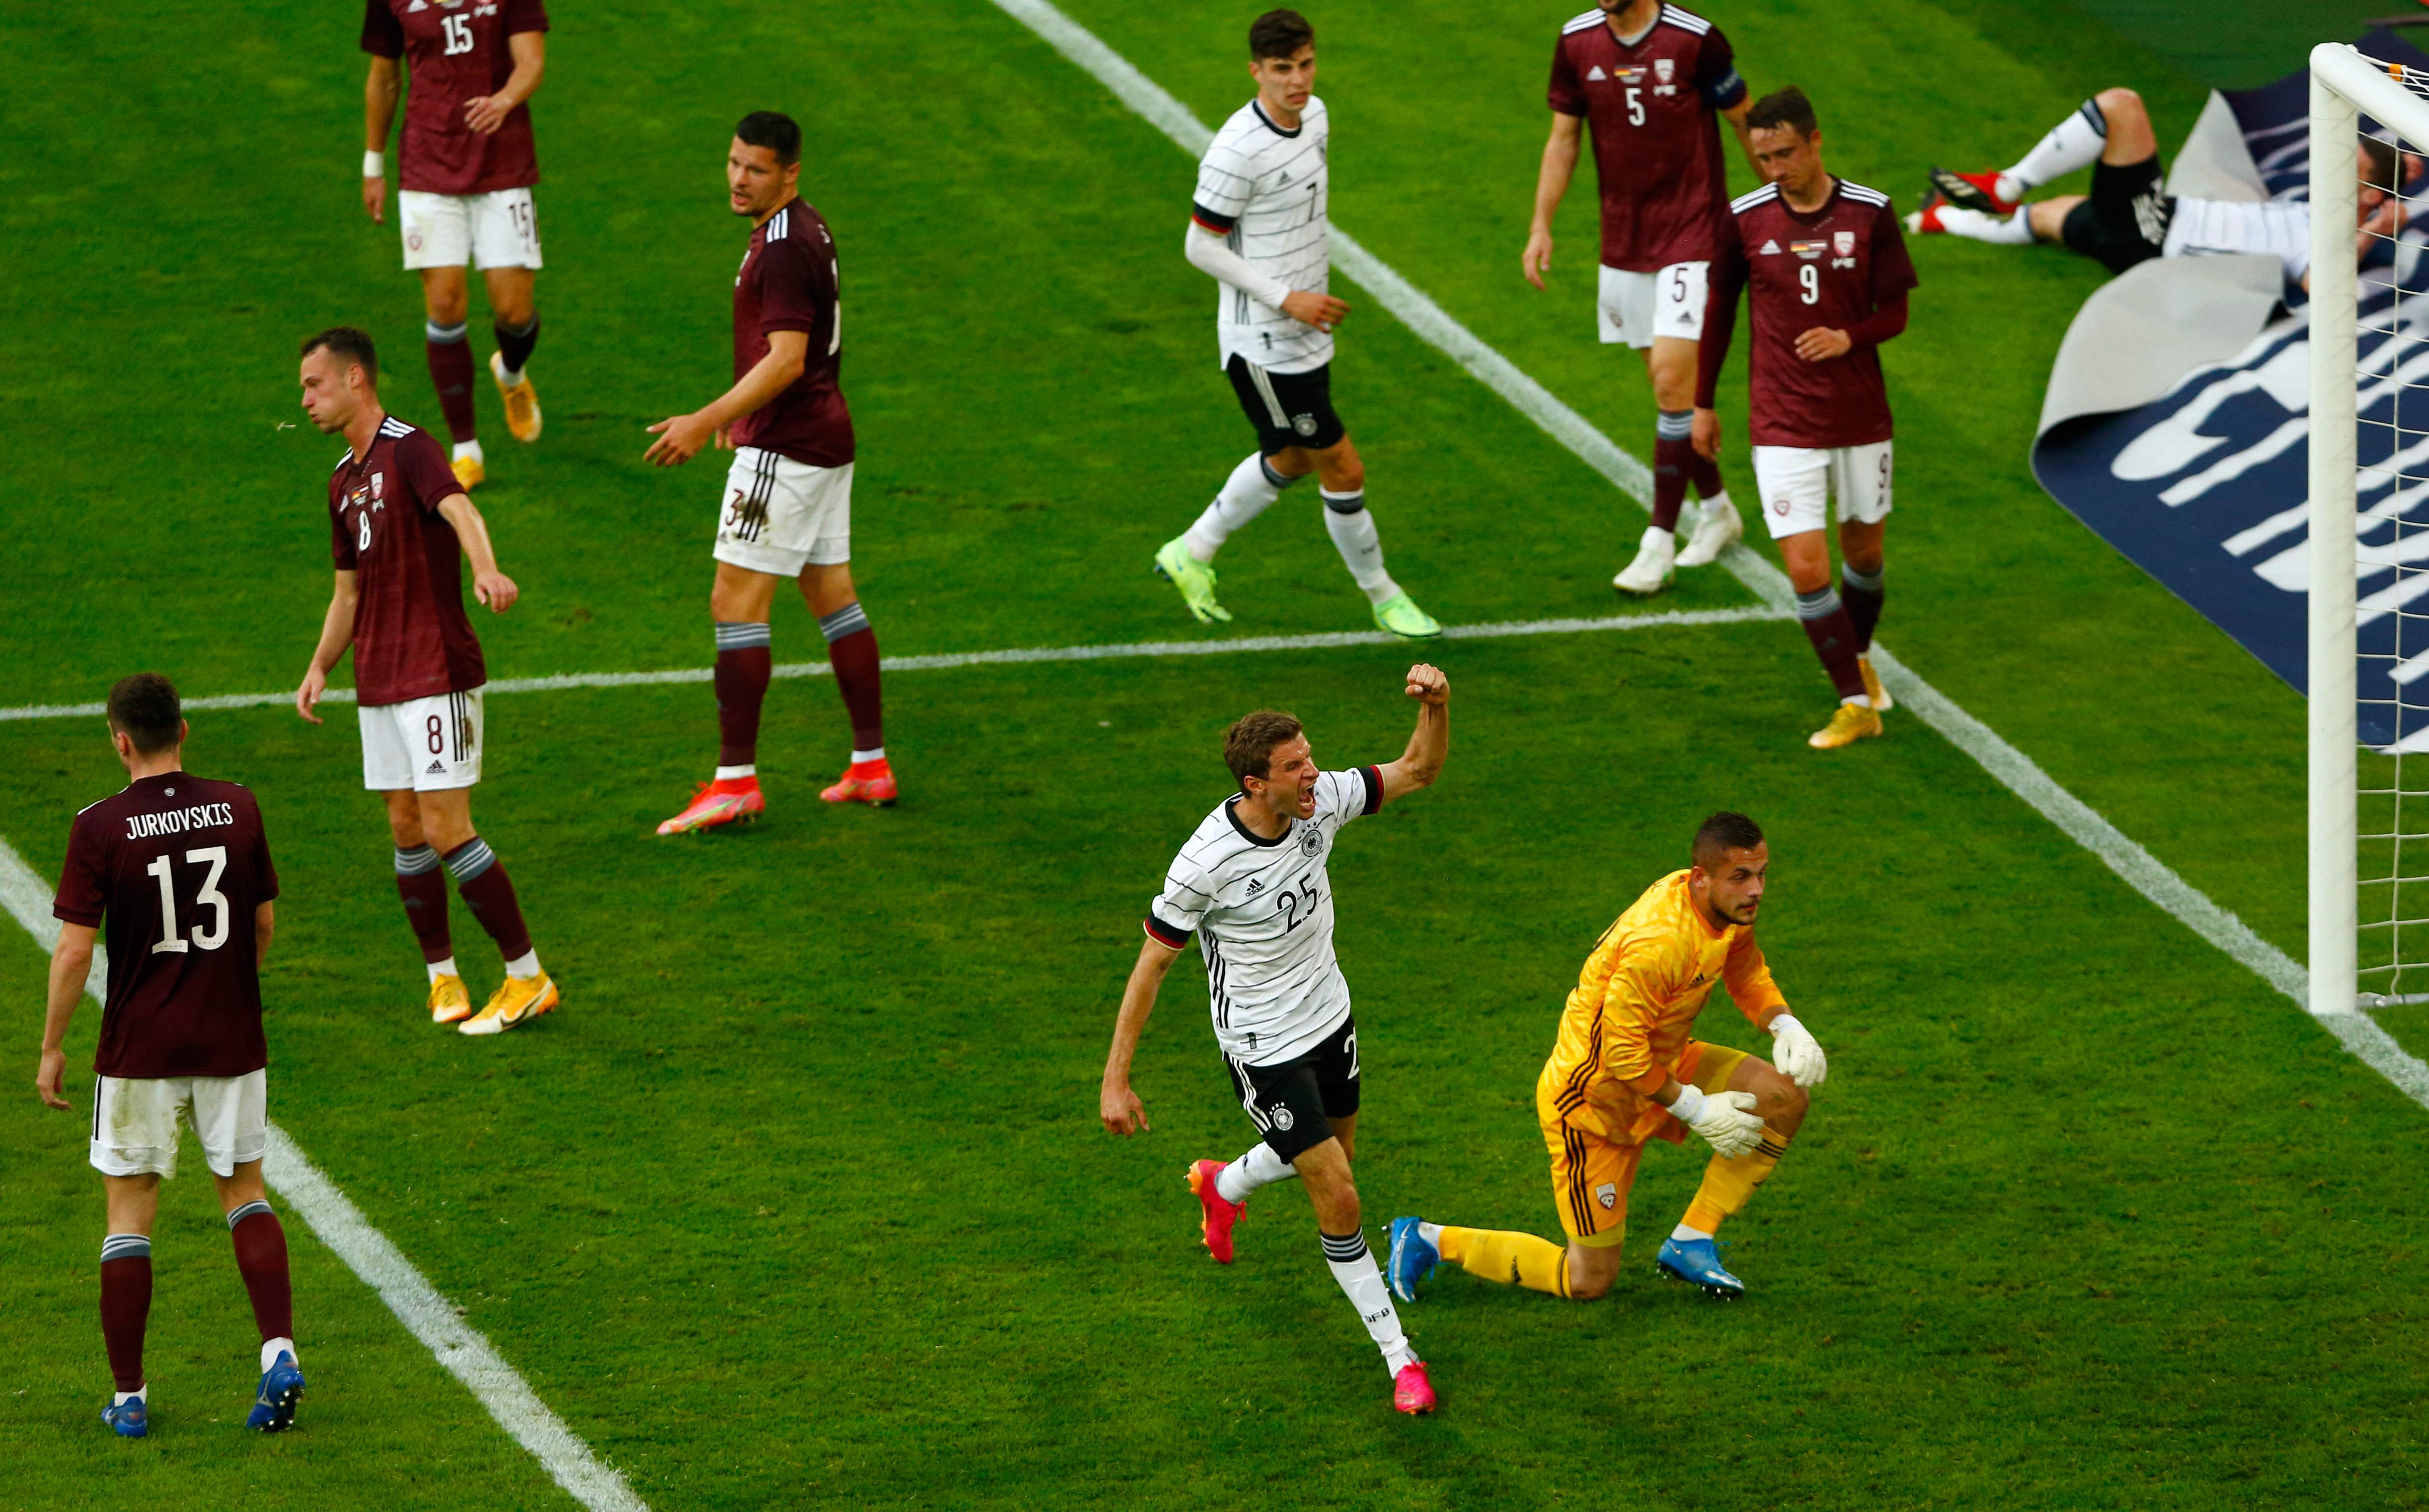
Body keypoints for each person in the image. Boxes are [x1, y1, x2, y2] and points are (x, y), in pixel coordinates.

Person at [1100, 665, 1450, 1415]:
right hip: (1264, 1047)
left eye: (1310, 757)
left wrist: (1438, 706)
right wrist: (1115, 1080)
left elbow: (1418, 768)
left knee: (1333, 1162)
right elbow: (1150, 968)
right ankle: (1402, 1361)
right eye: (1295, 766)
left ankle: (1223, 1186)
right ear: (1257, 784)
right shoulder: (1204, 865)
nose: (1312, 774)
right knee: (1340, 1194)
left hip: (1331, 1017)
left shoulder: (1318, 804)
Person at [1385, 812, 1826, 1309]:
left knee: (1784, 1099)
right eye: (1742, 877)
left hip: (1662, 1062)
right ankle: (1428, 1239)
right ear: (1700, 877)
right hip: (1593, 1104)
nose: (1757, 889)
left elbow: (1743, 966)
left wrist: (1784, 1023)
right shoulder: (1659, 944)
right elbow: (1620, 1055)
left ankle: (1691, 1241)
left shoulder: (1723, 908)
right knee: (1588, 1279)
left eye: (1762, 873)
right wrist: (1699, 1110)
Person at [34, 675, 303, 1437]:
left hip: (138, 1048)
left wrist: (53, 1046)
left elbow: (74, 953)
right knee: (244, 1190)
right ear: (183, 730)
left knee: (130, 1213)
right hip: (231, 1037)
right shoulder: (240, 806)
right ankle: (278, 1352)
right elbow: (264, 927)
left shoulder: (99, 828)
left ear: (121, 740)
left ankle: (129, 1399)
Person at [292, 327, 558, 1034]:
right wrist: (322, 665)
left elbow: (460, 508)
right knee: (406, 827)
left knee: (447, 826)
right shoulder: (340, 484)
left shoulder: (409, 447)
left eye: (314, 386)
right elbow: (346, 595)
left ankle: (527, 977)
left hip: (436, 668)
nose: (306, 400)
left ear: (355, 379)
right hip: (379, 678)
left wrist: (485, 568)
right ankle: (444, 980)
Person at [1150, 9, 1442, 642]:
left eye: (1306, 65)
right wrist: (1288, 298)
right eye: (1283, 70)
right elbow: (1200, 247)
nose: (1298, 81)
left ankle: (1192, 550)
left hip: (1308, 329)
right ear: (1256, 71)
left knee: (1291, 456)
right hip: (1264, 341)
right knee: (1343, 466)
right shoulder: (1235, 151)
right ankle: (1383, 595)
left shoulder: (1317, 116)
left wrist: (1306, 304)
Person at [646, 111, 893, 834]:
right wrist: (736, 414)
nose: (737, 179)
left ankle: (733, 782)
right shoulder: (802, 227)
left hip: (787, 445)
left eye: (754, 169)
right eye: (732, 163)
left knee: (734, 601)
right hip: (819, 433)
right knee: (830, 592)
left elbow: (786, 359)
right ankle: (871, 765)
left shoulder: (783, 248)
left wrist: (704, 418)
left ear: (791, 172)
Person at [1696, 88, 1915, 750]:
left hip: (1858, 418)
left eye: (1785, 153)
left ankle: (1857, 657)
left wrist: (1849, 337)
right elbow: (1719, 314)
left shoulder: (1870, 214)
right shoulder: (1743, 221)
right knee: (1806, 570)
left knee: (1865, 556)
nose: (1774, 168)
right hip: (1782, 419)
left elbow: (1894, 312)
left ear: (1815, 143)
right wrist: (1701, 404)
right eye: (1762, 157)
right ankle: (1854, 702)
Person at [1525, 0, 1756, 595]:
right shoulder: (1576, 42)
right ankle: (1718, 511)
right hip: (1624, 239)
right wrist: (1541, 225)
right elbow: (1563, 138)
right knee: (1668, 390)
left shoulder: (1696, 40)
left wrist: (1777, 215)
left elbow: (1743, 121)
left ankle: (1657, 543)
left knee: (1671, 387)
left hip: (1694, 231)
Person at [1911, 88, 2402, 289]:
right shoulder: (2309, 211)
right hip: (2148, 224)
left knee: (2122, 107)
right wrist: (2403, 170)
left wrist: (2376, 230)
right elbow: (2390, 178)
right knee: (2046, 216)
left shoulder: (2323, 244)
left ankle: (2005, 184)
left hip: (2154, 237)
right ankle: (1942, 219)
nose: (2332, 170)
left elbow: (2322, 287)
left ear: (2370, 197)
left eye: (2349, 171)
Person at [360, 0, 551, 489]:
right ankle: (466, 448)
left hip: (502, 163)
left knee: (514, 310)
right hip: (427, 167)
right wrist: (374, 164)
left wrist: (504, 101)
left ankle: (510, 373)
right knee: (444, 305)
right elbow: (385, 77)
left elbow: (531, 59)